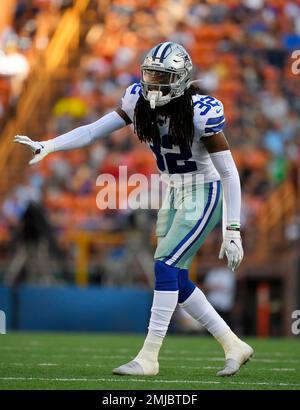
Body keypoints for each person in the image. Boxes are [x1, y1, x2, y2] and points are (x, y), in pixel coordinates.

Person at [14, 42, 254, 377]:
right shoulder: (137, 100)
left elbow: (229, 172)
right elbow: (93, 130)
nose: (154, 82)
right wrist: (50, 145)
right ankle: (233, 344)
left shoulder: (202, 112)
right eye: (151, 74)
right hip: (173, 191)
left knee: (165, 264)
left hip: (204, 191)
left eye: (163, 75)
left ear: (181, 78)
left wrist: (232, 229)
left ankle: (149, 357)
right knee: (176, 277)